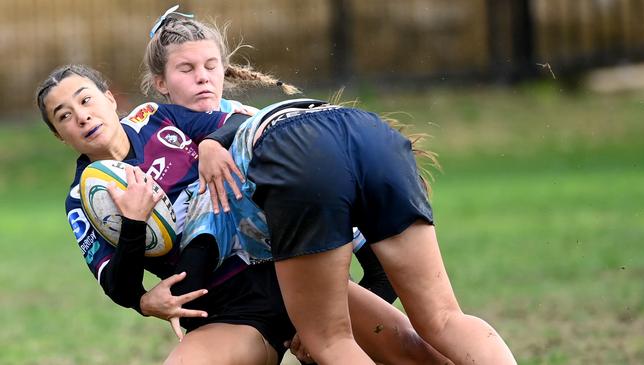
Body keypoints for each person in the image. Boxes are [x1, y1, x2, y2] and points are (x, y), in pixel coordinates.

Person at [36, 63, 450, 365]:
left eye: (86, 99)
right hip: (227, 312)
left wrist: (213, 144)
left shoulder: (159, 119)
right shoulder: (82, 199)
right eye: (64, 116)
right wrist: (134, 231)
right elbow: (118, 285)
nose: (82, 116)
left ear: (109, 99)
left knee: (414, 355)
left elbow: (244, 124)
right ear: (59, 135)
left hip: (292, 267)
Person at [139, 9, 448, 365]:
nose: (203, 78)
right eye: (187, 69)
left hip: (316, 290)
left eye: (211, 66)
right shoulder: (152, 154)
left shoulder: (264, 134)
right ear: (160, 82)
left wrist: (328, 325)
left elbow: (379, 267)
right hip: (242, 315)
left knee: (415, 355)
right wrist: (142, 300)